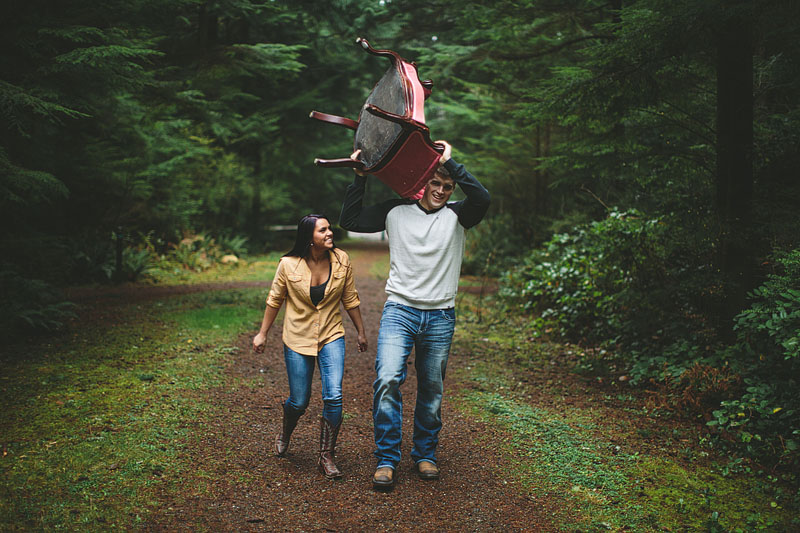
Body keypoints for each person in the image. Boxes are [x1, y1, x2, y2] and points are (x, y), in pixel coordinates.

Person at [339, 141, 490, 490]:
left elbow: (482, 198)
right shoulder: (396, 211)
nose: (439, 191)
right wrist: (359, 178)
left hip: (440, 315)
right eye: (434, 184)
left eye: (446, 186)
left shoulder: (458, 215)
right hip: (400, 311)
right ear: (423, 183)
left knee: (432, 388)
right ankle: (387, 459)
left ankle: (425, 455)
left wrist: (452, 163)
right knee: (388, 379)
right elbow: (349, 219)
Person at [252, 214, 368, 479]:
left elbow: (350, 298)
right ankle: (286, 430)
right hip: (297, 337)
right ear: (309, 237)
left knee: (334, 396)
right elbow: (275, 300)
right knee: (299, 401)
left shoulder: (342, 260)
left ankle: (326, 455)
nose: (330, 233)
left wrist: (361, 331)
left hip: (331, 334)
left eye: (329, 229)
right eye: (323, 230)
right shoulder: (288, 265)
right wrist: (262, 334)